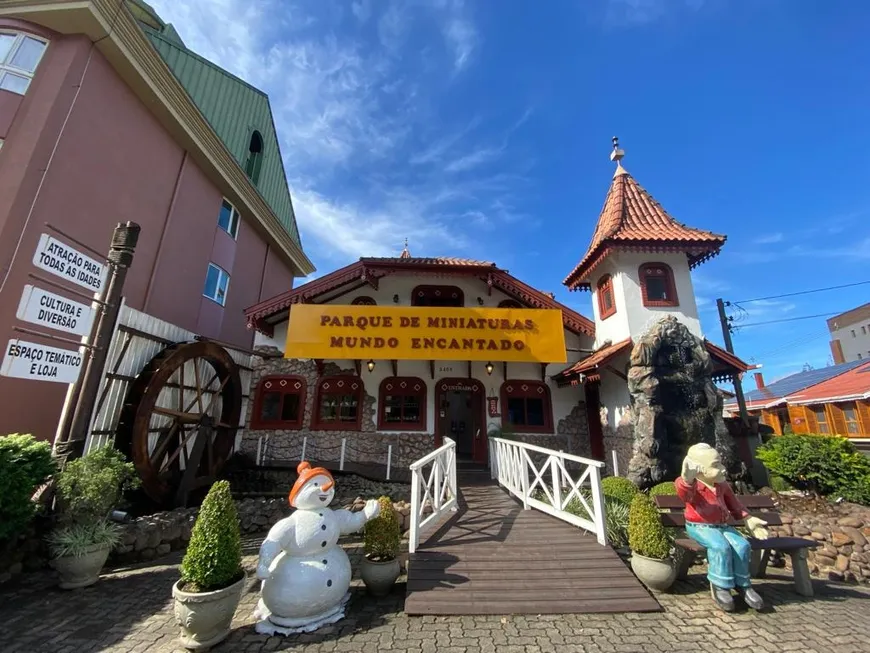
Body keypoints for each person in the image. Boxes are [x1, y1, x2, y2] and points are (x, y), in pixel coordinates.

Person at [674, 443, 768, 611]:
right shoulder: (694, 485)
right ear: (700, 469)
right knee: (720, 547)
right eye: (716, 465)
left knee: (742, 545)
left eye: (720, 463)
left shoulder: (722, 485)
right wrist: (687, 481)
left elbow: (735, 505)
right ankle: (721, 586)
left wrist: (749, 519)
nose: (723, 468)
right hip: (700, 526)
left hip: (722, 526)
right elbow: (685, 495)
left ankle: (743, 584)